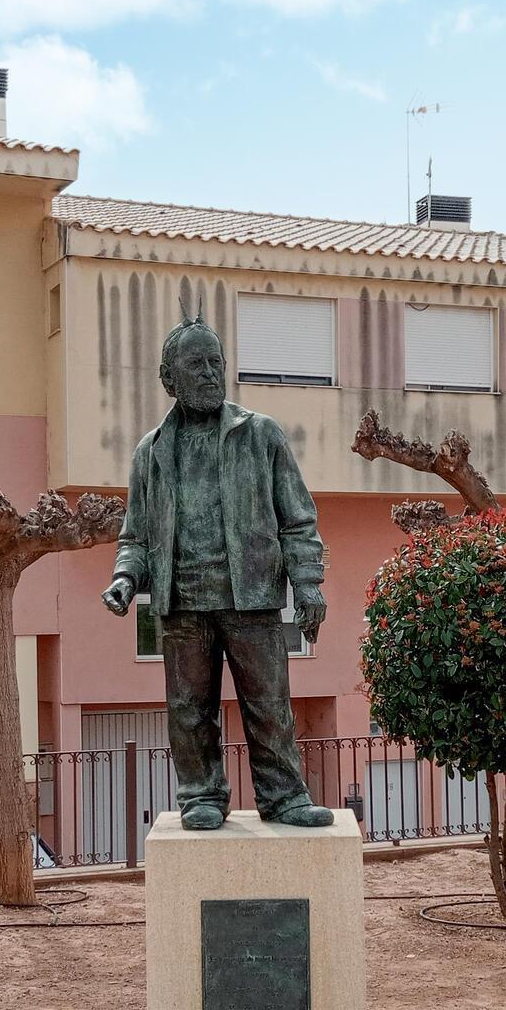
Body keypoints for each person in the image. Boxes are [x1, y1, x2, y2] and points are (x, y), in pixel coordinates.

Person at [101, 313, 334, 830]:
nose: (210, 373)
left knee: (269, 706)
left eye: (216, 362)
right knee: (189, 710)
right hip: (183, 603)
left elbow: (298, 518)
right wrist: (125, 579)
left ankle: (285, 798)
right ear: (169, 379)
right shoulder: (151, 452)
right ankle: (201, 795)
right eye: (197, 364)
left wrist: (308, 584)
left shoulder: (261, 435)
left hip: (252, 597)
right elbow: (136, 535)